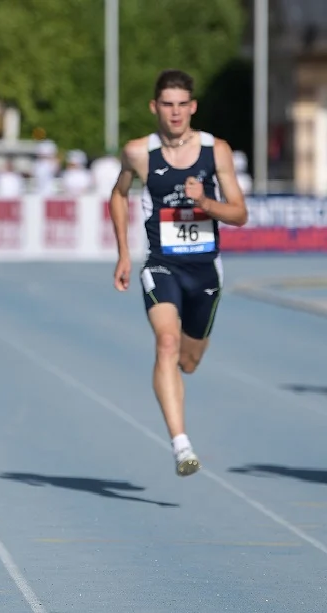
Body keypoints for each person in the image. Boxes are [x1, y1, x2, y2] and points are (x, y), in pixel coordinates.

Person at [109, 69, 247, 477]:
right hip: (161, 264)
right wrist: (122, 254)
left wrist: (205, 200)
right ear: (155, 107)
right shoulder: (138, 152)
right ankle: (181, 444)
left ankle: (185, 367)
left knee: (188, 360)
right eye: (166, 105)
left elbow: (239, 213)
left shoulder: (214, 150)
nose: (174, 113)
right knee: (166, 344)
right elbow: (118, 196)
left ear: (192, 108)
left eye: (181, 105)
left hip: (205, 269)